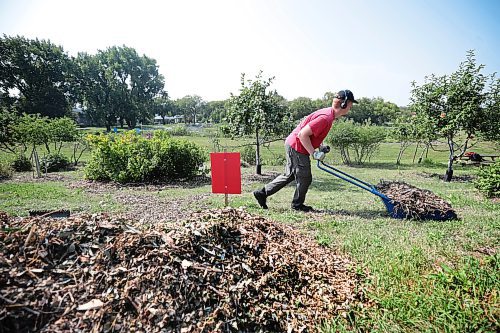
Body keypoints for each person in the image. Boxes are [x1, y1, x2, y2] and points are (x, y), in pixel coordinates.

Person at [253, 89, 357, 212]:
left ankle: (262, 193)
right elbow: (303, 135)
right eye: (350, 104)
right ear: (344, 104)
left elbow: (313, 134)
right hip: (297, 145)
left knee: (291, 175)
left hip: (295, 144)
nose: (351, 106)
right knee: (304, 177)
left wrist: (320, 147)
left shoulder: (329, 115)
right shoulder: (325, 118)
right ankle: (297, 205)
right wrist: (314, 153)